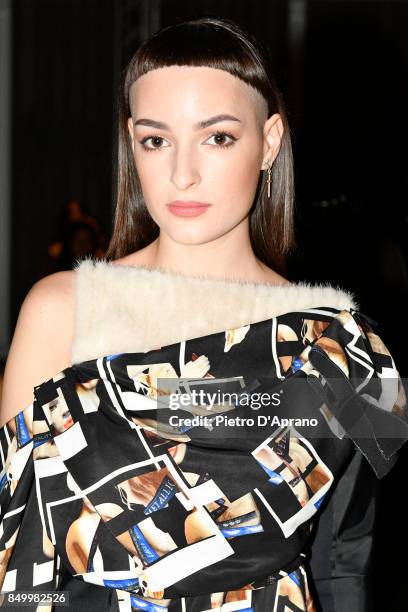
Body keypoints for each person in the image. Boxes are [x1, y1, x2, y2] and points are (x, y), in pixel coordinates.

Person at [0, 16, 407, 612]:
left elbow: (349, 560)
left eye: (217, 137)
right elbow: (16, 548)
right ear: (130, 141)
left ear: (269, 142)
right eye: (155, 140)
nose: (181, 174)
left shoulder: (355, 354)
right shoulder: (58, 309)